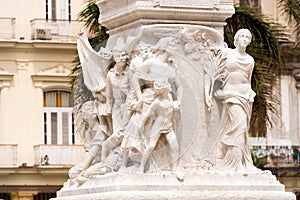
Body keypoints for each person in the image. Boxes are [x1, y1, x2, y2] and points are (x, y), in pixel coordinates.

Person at [213, 29, 258, 172]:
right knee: (237, 128)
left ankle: (239, 161)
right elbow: (215, 66)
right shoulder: (228, 54)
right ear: (236, 39)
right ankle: (235, 164)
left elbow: (248, 80)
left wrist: (250, 94)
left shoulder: (250, 60)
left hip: (245, 96)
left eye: (247, 37)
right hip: (230, 94)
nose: (244, 39)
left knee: (242, 129)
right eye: (242, 36)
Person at [138, 79, 179, 173]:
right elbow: (147, 114)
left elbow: (172, 106)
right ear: (163, 90)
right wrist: (141, 125)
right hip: (158, 125)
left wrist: (176, 105)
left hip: (168, 125)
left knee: (175, 146)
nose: (169, 89)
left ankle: (175, 168)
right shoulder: (157, 101)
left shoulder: (169, 96)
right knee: (151, 146)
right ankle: (141, 166)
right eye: (167, 88)